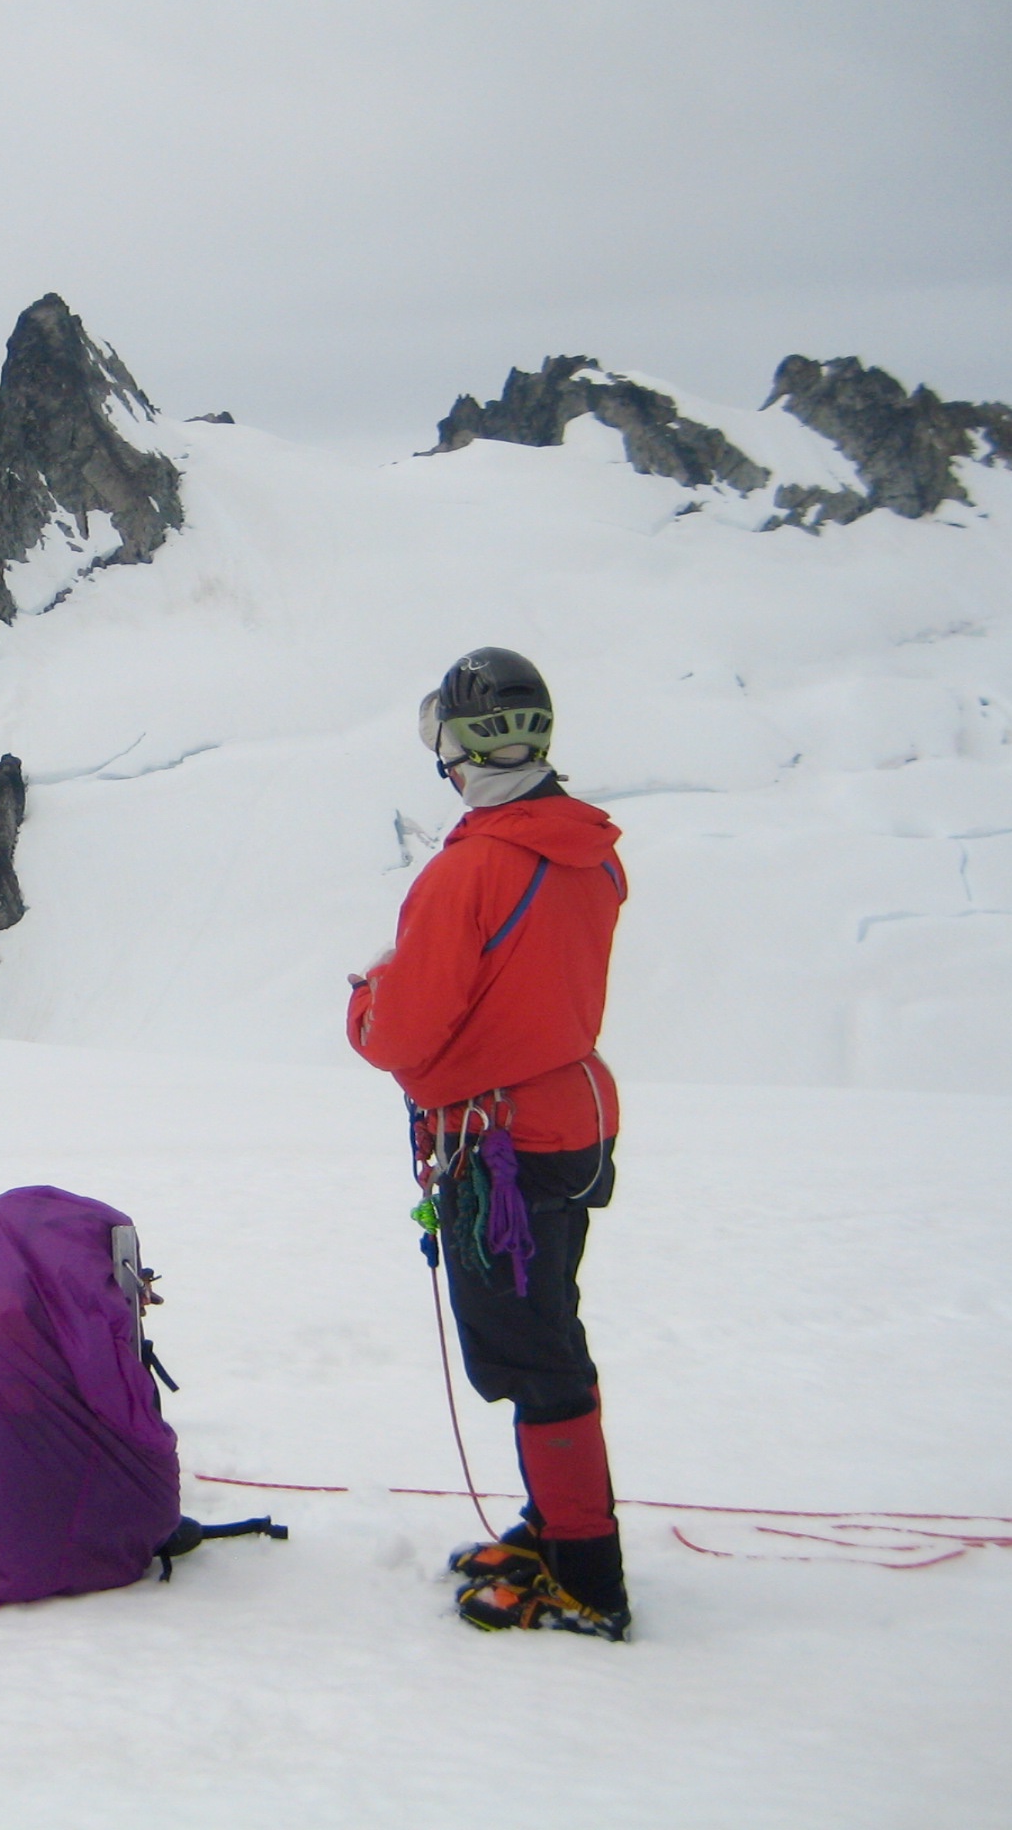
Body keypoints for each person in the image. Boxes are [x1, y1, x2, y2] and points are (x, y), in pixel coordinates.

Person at [346, 649, 629, 1638]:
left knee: (533, 1358)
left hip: (498, 1146)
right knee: (549, 1335)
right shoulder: (589, 851)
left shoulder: (468, 871)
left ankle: (586, 1573)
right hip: (568, 1126)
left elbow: (404, 1035)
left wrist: (366, 1004)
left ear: (459, 748)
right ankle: (559, 1527)